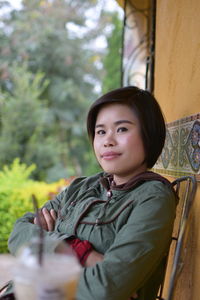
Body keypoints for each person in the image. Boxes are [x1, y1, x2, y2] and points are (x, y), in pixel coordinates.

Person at [1, 86, 177, 300]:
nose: (107, 140)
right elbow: (18, 233)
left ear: (148, 133)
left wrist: (44, 249)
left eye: (121, 129)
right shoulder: (83, 187)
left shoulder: (153, 198)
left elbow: (104, 288)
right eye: (101, 131)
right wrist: (77, 249)